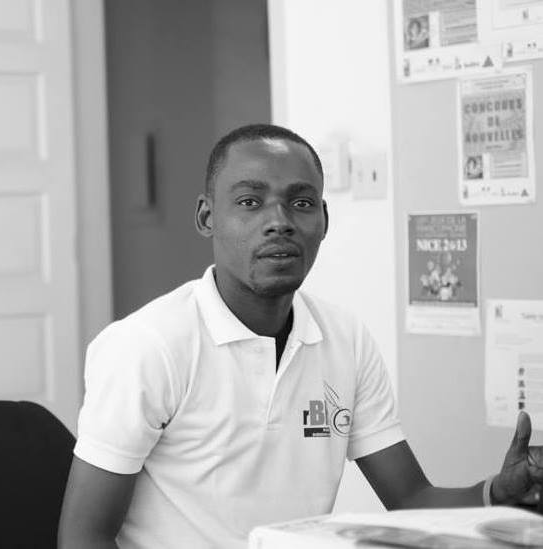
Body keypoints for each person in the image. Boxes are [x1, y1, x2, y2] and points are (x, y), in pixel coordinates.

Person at [59, 124, 543, 549]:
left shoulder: (345, 338)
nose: (279, 221)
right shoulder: (148, 345)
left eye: (301, 203)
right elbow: (83, 536)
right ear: (207, 218)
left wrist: (496, 493)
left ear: (324, 221)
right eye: (249, 202)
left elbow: (412, 499)